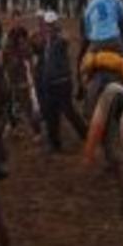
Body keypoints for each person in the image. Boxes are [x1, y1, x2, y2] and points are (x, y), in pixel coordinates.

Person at [37, 12, 87, 152]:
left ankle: (85, 134)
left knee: (68, 111)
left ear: (55, 24)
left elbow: (66, 39)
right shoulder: (47, 40)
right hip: (51, 81)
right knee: (51, 113)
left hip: (61, 81)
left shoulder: (59, 39)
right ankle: (55, 143)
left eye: (51, 24)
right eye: (48, 24)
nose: (49, 26)